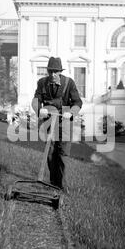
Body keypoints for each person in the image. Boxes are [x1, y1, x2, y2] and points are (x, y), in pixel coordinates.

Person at [32, 57, 83, 190]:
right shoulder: (42, 83)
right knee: (50, 153)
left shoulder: (69, 83)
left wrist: (71, 112)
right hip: (48, 121)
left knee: (62, 154)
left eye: (55, 72)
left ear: (60, 71)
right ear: (48, 71)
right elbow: (36, 100)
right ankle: (52, 183)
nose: (53, 75)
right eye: (50, 72)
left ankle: (62, 186)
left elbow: (78, 102)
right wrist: (39, 109)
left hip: (65, 122)